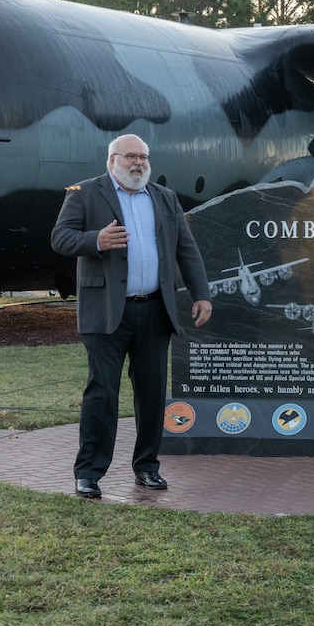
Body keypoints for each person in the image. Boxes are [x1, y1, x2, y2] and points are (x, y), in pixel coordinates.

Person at [51, 134, 212, 498]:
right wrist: (95, 240)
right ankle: (89, 472)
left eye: (143, 157)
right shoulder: (84, 193)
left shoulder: (164, 197)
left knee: (153, 394)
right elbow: (60, 237)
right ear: (112, 161)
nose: (138, 163)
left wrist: (201, 294)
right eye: (130, 157)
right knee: (102, 393)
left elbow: (187, 250)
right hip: (107, 311)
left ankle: (147, 467)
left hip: (154, 310)